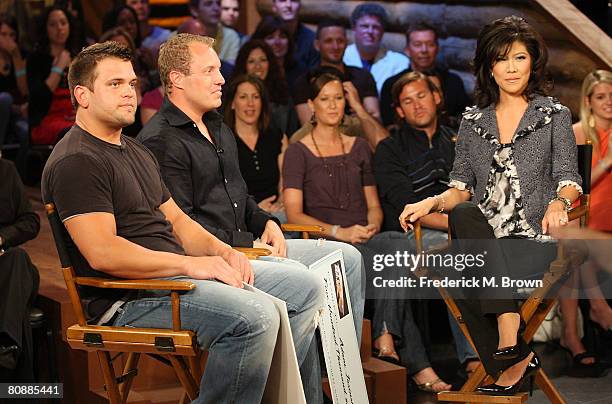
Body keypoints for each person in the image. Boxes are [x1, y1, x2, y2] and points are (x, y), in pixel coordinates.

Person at [42, 40, 325, 404]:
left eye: (131, 83)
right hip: (129, 297)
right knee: (255, 316)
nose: (129, 92)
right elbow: (103, 253)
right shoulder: (77, 160)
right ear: (82, 95)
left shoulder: (134, 150)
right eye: (115, 84)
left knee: (305, 286)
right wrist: (194, 265)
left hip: (173, 280)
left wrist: (225, 254)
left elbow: (177, 221)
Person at [136, 35, 365, 402]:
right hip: (212, 259)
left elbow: (239, 196)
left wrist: (265, 223)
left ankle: (334, 380)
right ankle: (295, 395)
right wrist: (248, 245)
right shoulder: (161, 140)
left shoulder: (217, 124)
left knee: (346, 259)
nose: (221, 78)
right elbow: (183, 226)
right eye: (209, 70)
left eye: (218, 69)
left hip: (249, 244)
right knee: (306, 282)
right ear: (177, 79)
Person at [399, 16, 582, 395]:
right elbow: (460, 190)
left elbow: (569, 179)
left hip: (532, 241)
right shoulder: (472, 121)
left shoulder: (553, 115)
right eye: (501, 59)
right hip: (484, 241)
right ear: (489, 67)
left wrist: (559, 204)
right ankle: (512, 347)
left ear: (532, 62)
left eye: (518, 58)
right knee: (464, 218)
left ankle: (509, 350)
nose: (511, 68)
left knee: (459, 270)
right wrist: (429, 201)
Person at [282, 71, 450, 391]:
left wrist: (372, 222)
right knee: (392, 267)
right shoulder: (297, 150)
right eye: (325, 99)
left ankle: (387, 336)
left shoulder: (359, 146)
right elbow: (293, 214)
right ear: (311, 105)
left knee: (400, 248)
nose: (333, 105)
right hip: (325, 241)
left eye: (338, 98)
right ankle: (409, 358)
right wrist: (338, 231)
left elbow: (373, 202)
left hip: (366, 235)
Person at [373, 70, 480, 378]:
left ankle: (507, 347)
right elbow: (406, 209)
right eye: (408, 101)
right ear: (399, 111)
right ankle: (474, 358)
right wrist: (461, 228)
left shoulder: (462, 141)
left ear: (437, 98)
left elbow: (477, 191)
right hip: (414, 234)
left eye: (422, 96)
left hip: (465, 226)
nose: (417, 105)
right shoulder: (389, 149)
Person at [558, 69, 612, 376]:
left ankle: (589, 316)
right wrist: (606, 161)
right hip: (584, 216)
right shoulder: (578, 133)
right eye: (601, 97)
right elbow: (573, 185)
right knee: (576, 243)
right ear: (589, 101)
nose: (608, 103)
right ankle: (579, 326)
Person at [291, 19, 384, 148]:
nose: (335, 46)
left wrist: (360, 110)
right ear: (317, 45)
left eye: (340, 41)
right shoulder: (305, 81)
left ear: (346, 43)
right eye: (328, 41)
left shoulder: (362, 76)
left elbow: (376, 118)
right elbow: (310, 125)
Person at [380, 22, 471, 129]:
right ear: (407, 50)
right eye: (417, 45)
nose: (424, 50)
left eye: (430, 44)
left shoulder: (453, 81)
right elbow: (390, 126)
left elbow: (466, 119)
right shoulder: (392, 84)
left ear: (437, 48)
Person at [223, 74, 287, 215]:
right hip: (239, 214)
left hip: (277, 211)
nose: (250, 103)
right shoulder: (222, 140)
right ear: (233, 103)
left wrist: (280, 202)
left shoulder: (277, 136)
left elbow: (286, 179)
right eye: (243, 97)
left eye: (256, 97)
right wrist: (254, 209)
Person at [0, 157, 40, 382]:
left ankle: (5, 347)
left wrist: (2, 238)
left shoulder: (6, 170)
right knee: (17, 307)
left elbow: (30, 221)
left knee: (18, 259)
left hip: (4, 262)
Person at [27, 5, 82, 145]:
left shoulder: (80, 56)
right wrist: (58, 68)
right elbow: (38, 98)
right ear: (45, 29)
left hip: (77, 114)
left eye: (63, 23)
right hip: (48, 118)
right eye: (53, 24)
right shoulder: (36, 59)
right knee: (74, 133)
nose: (59, 28)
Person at [231, 40, 298, 136]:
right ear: (244, 66)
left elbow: (292, 132)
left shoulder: (284, 97)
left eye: (263, 60)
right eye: (251, 61)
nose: (257, 66)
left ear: (270, 64)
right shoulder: (233, 95)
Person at [342, 3, 409, 94]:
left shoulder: (399, 63)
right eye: (365, 26)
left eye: (375, 27)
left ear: (382, 31)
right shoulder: (342, 57)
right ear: (354, 28)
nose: (370, 31)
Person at [252, 15, 306, 89]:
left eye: (282, 36)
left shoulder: (299, 69)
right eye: (270, 37)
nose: (277, 42)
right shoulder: (255, 69)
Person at [0, 16, 28, 147]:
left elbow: (24, 91)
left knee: (26, 132)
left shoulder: (22, 54)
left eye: (12, 35)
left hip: (17, 112)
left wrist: (16, 56)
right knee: (5, 99)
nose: (8, 39)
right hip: (6, 107)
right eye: (3, 34)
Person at [271, 0, 319, 70]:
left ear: (300, 5)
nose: (288, 5)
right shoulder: (263, 36)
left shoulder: (312, 40)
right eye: (282, 1)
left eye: (294, 0)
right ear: (274, 6)